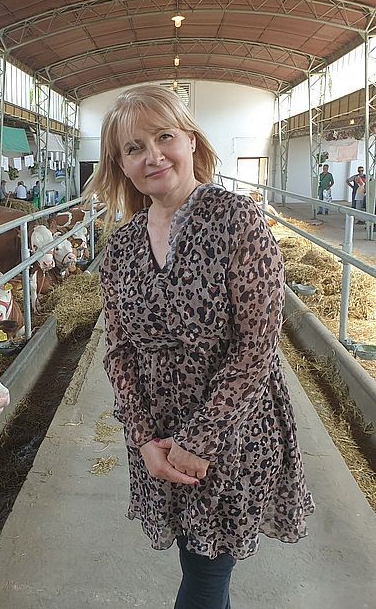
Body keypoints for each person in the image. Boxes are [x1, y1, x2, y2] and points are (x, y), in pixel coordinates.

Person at [85, 84, 314, 609]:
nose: (153, 156)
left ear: (191, 139)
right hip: (158, 436)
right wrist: (144, 438)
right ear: (120, 165)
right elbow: (118, 351)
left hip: (231, 433)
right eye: (134, 148)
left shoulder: (238, 221)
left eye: (164, 137)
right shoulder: (122, 246)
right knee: (200, 565)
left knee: (206, 576)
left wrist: (199, 440)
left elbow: (257, 346)